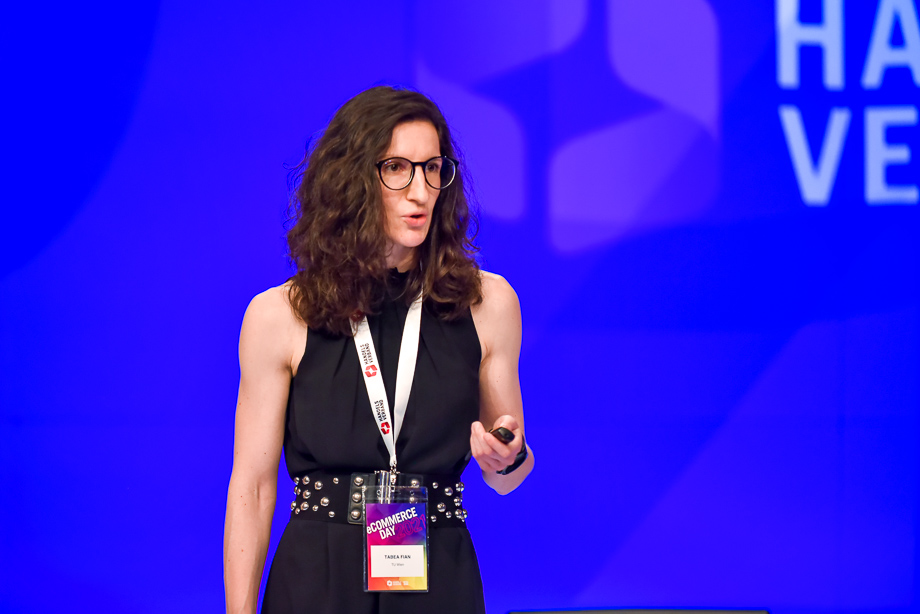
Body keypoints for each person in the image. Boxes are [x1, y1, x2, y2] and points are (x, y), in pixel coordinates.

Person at [223, 85, 533, 614]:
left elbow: (508, 475)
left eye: (432, 169)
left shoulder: (489, 303)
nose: (420, 192)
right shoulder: (279, 315)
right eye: (397, 169)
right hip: (317, 580)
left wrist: (509, 457)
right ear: (351, 180)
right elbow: (252, 488)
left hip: (438, 579)